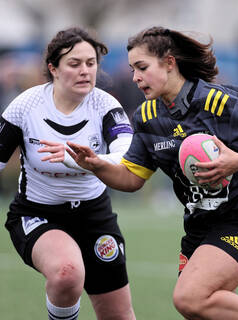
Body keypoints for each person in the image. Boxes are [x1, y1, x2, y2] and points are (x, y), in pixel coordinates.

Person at [47, 26, 238, 320]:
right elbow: (132, 179)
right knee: (198, 309)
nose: (135, 77)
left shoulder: (217, 101)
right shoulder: (147, 117)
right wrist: (96, 165)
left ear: (170, 63)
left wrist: (234, 162)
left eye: (142, 67)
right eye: (133, 69)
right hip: (198, 227)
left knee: (190, 297)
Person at [0, 27, 136, 320]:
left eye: (91, 63)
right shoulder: (26, 106)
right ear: (54, 68)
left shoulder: (106, 106)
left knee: (119, 316)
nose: (85, 71)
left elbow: (126, 157)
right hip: (37, 214)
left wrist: (83, 161)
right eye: (74, 63)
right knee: (67, 273)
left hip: (94, 217)